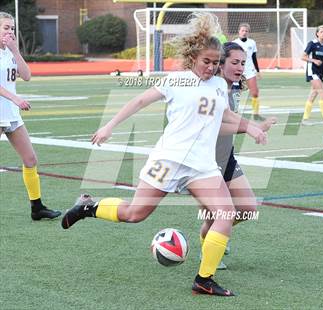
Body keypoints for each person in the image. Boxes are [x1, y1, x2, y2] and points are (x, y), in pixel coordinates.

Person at [61, 13, 267, 297]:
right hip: (168, 160)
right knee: (135, 214)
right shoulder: (177, 81)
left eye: (216, 62)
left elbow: (225, 115)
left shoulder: (221, 85)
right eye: (206, 61)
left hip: (202, 167)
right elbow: (139, 99)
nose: (211, 67)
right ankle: (88, 207)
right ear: (194, 57)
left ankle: (204, 279)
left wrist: (252, 128)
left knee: (225, 213)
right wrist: (109, 126)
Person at [199, 42, 277, 270]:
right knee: (215, 217)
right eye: (234, 62)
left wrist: (255, 126)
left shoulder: (233, 88)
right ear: (220, 64)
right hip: (204, 163)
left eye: (243, 63)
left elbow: (231, 119)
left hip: (227, 158)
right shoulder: (210, 89)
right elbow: (212, 126)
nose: (240, 67)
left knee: (249, 208)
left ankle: (217, 234)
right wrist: (250, 128)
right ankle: (211, 245)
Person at [0, 12, 61, 220]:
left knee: (30, 158)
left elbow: (26, 76)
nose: (10, 32)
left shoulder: (9, 51)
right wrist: (15, 99)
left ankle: (37, 208)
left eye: (12, 28)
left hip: (12, 115)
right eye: (6, 27)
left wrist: (15, 50)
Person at [301, 25, 323, 126]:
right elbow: (303, 57)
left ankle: (305, 119)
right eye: (321, 32)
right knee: (322, 93)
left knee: (313, 95)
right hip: (312, 71)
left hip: (319, 73)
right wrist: (314, 60)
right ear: (317, 33)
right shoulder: (312, 44)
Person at [233, 23, 263, 120]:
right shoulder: (234, 43)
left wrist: (258, 71)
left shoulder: (252, 43)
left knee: (255, 92)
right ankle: (234, 112)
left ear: (248, 32)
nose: (244, 32)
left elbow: (254, 57)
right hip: (238, 71)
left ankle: (256, 114)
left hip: (250, 71)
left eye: (246, 31)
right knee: (236, 93)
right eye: (242, 30)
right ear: (239, 31)